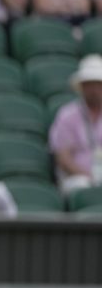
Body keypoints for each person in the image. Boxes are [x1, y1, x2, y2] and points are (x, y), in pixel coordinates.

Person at [49, 54, 102, 195]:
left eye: (98, 84)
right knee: (81, 185)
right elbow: (63, 158)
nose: (94, 90)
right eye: (90, 84)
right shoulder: (67, 115)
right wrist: (90, 178)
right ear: (82, 87)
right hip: (77, 178)